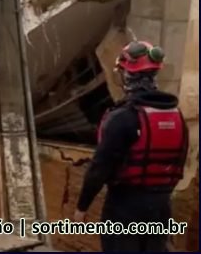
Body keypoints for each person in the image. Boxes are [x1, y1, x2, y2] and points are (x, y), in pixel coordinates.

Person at [74, 41, 188, 252]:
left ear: (126, 75)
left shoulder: (122, 117)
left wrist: (82, 207)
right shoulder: (176, 116)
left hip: (124, 206)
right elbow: (179, 162)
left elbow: (100, 167)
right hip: (161, 206)